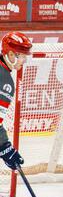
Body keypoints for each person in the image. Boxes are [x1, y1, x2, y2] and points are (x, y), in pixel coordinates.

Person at [0, 32, 32, 171]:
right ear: (11, 55)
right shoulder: (5, 81)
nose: (24, 60)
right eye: (22, 56)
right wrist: (5, 147)